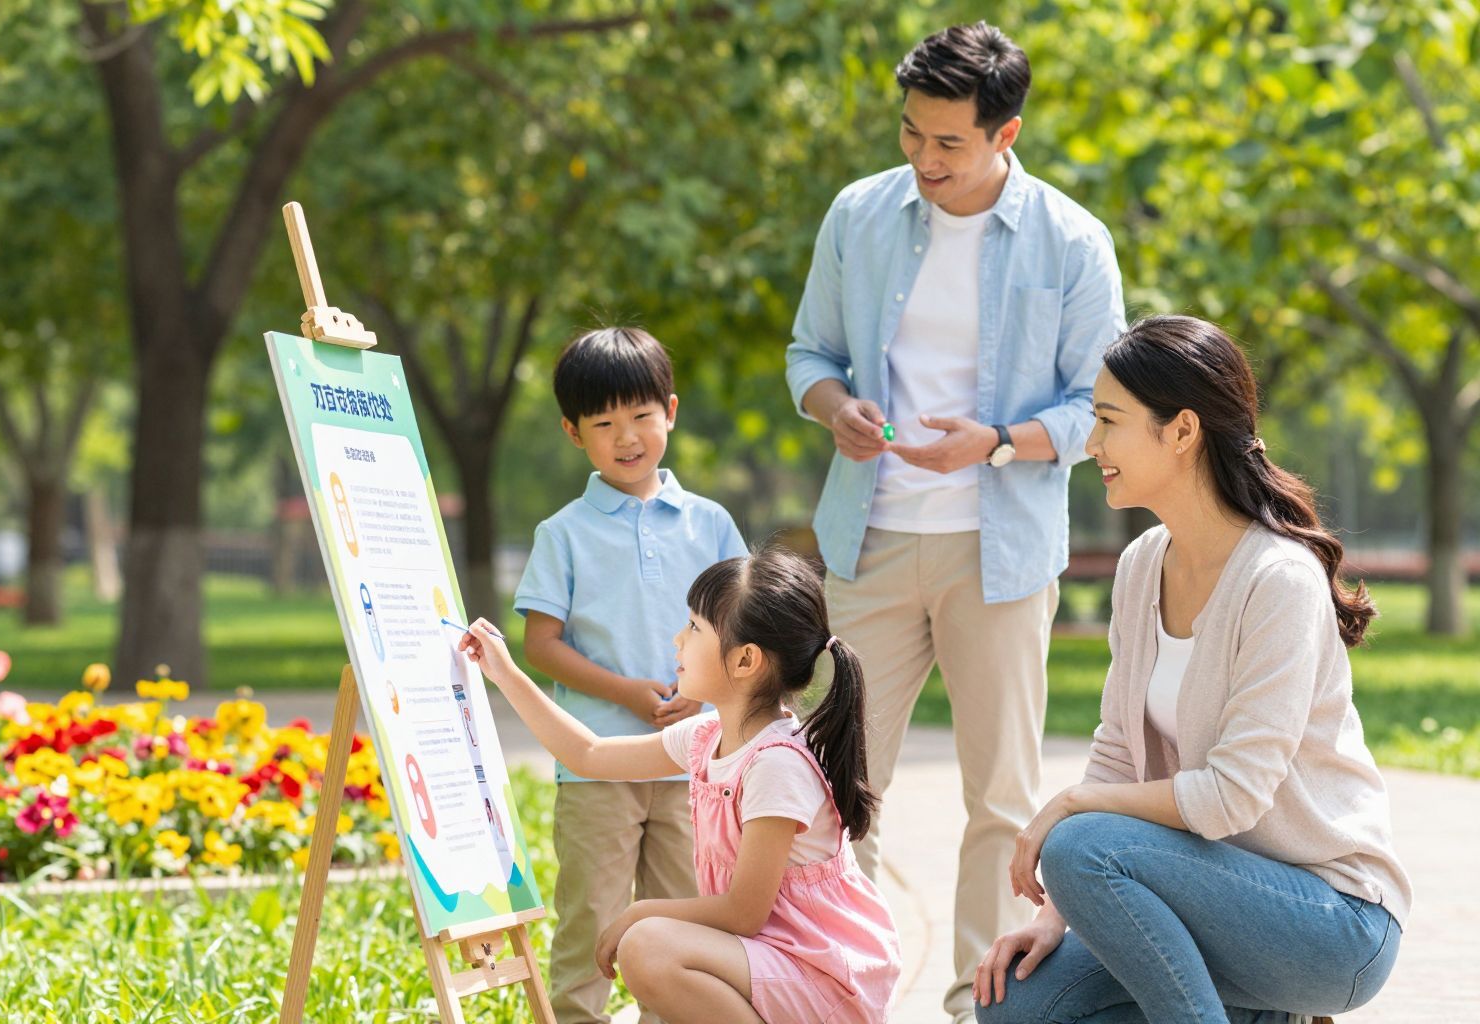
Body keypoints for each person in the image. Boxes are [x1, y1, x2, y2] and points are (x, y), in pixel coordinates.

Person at [784, 21, 1126, 1018]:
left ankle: (986, 1001)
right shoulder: (858, 214)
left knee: (1003, 798)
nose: (924, 160)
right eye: (911, 133)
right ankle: (840, 986)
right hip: (870, 541)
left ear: (1005, 133)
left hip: (1001, 550)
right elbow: (810, 355)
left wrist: (998, 442)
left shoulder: (1072, 241)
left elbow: (1100, 407)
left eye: (948, 143)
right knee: (835, 782)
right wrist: (834, 409)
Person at [973, 315, 1411, 1024]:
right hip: (1209, 898)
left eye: (1108, 421)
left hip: (1333, 922)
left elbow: (1232, 797)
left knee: (1082, 843)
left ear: (1181, 430)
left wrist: (1071, 806)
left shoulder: (1278, 579)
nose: (1091, 445)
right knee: (1017, 1004)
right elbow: (1120, 752)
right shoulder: (1143, 563)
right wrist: (1057, 914)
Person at [462, 548, 901, 1024]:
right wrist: (504, 672)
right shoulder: (706, 737)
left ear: (745, 660)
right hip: (770, 960)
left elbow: (744, 913)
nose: (678, 639)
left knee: (648, 945)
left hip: (821, 978)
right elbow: (587, 754)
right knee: (651, 943)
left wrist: (639, 911)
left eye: (694, 627)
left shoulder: (776, 765)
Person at [514, 326, 747, 1024]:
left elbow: (744, 630)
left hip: (696, 768)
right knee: (590, 920)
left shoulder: (711, 524)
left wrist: (705, 700)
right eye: (603, 423)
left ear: (669, 412)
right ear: (572, 431)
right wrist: (625, 692)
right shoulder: (563, 533)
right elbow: (540, 644)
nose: (626, 437)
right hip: (598, 767)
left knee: (684, 927)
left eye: (642, 415)